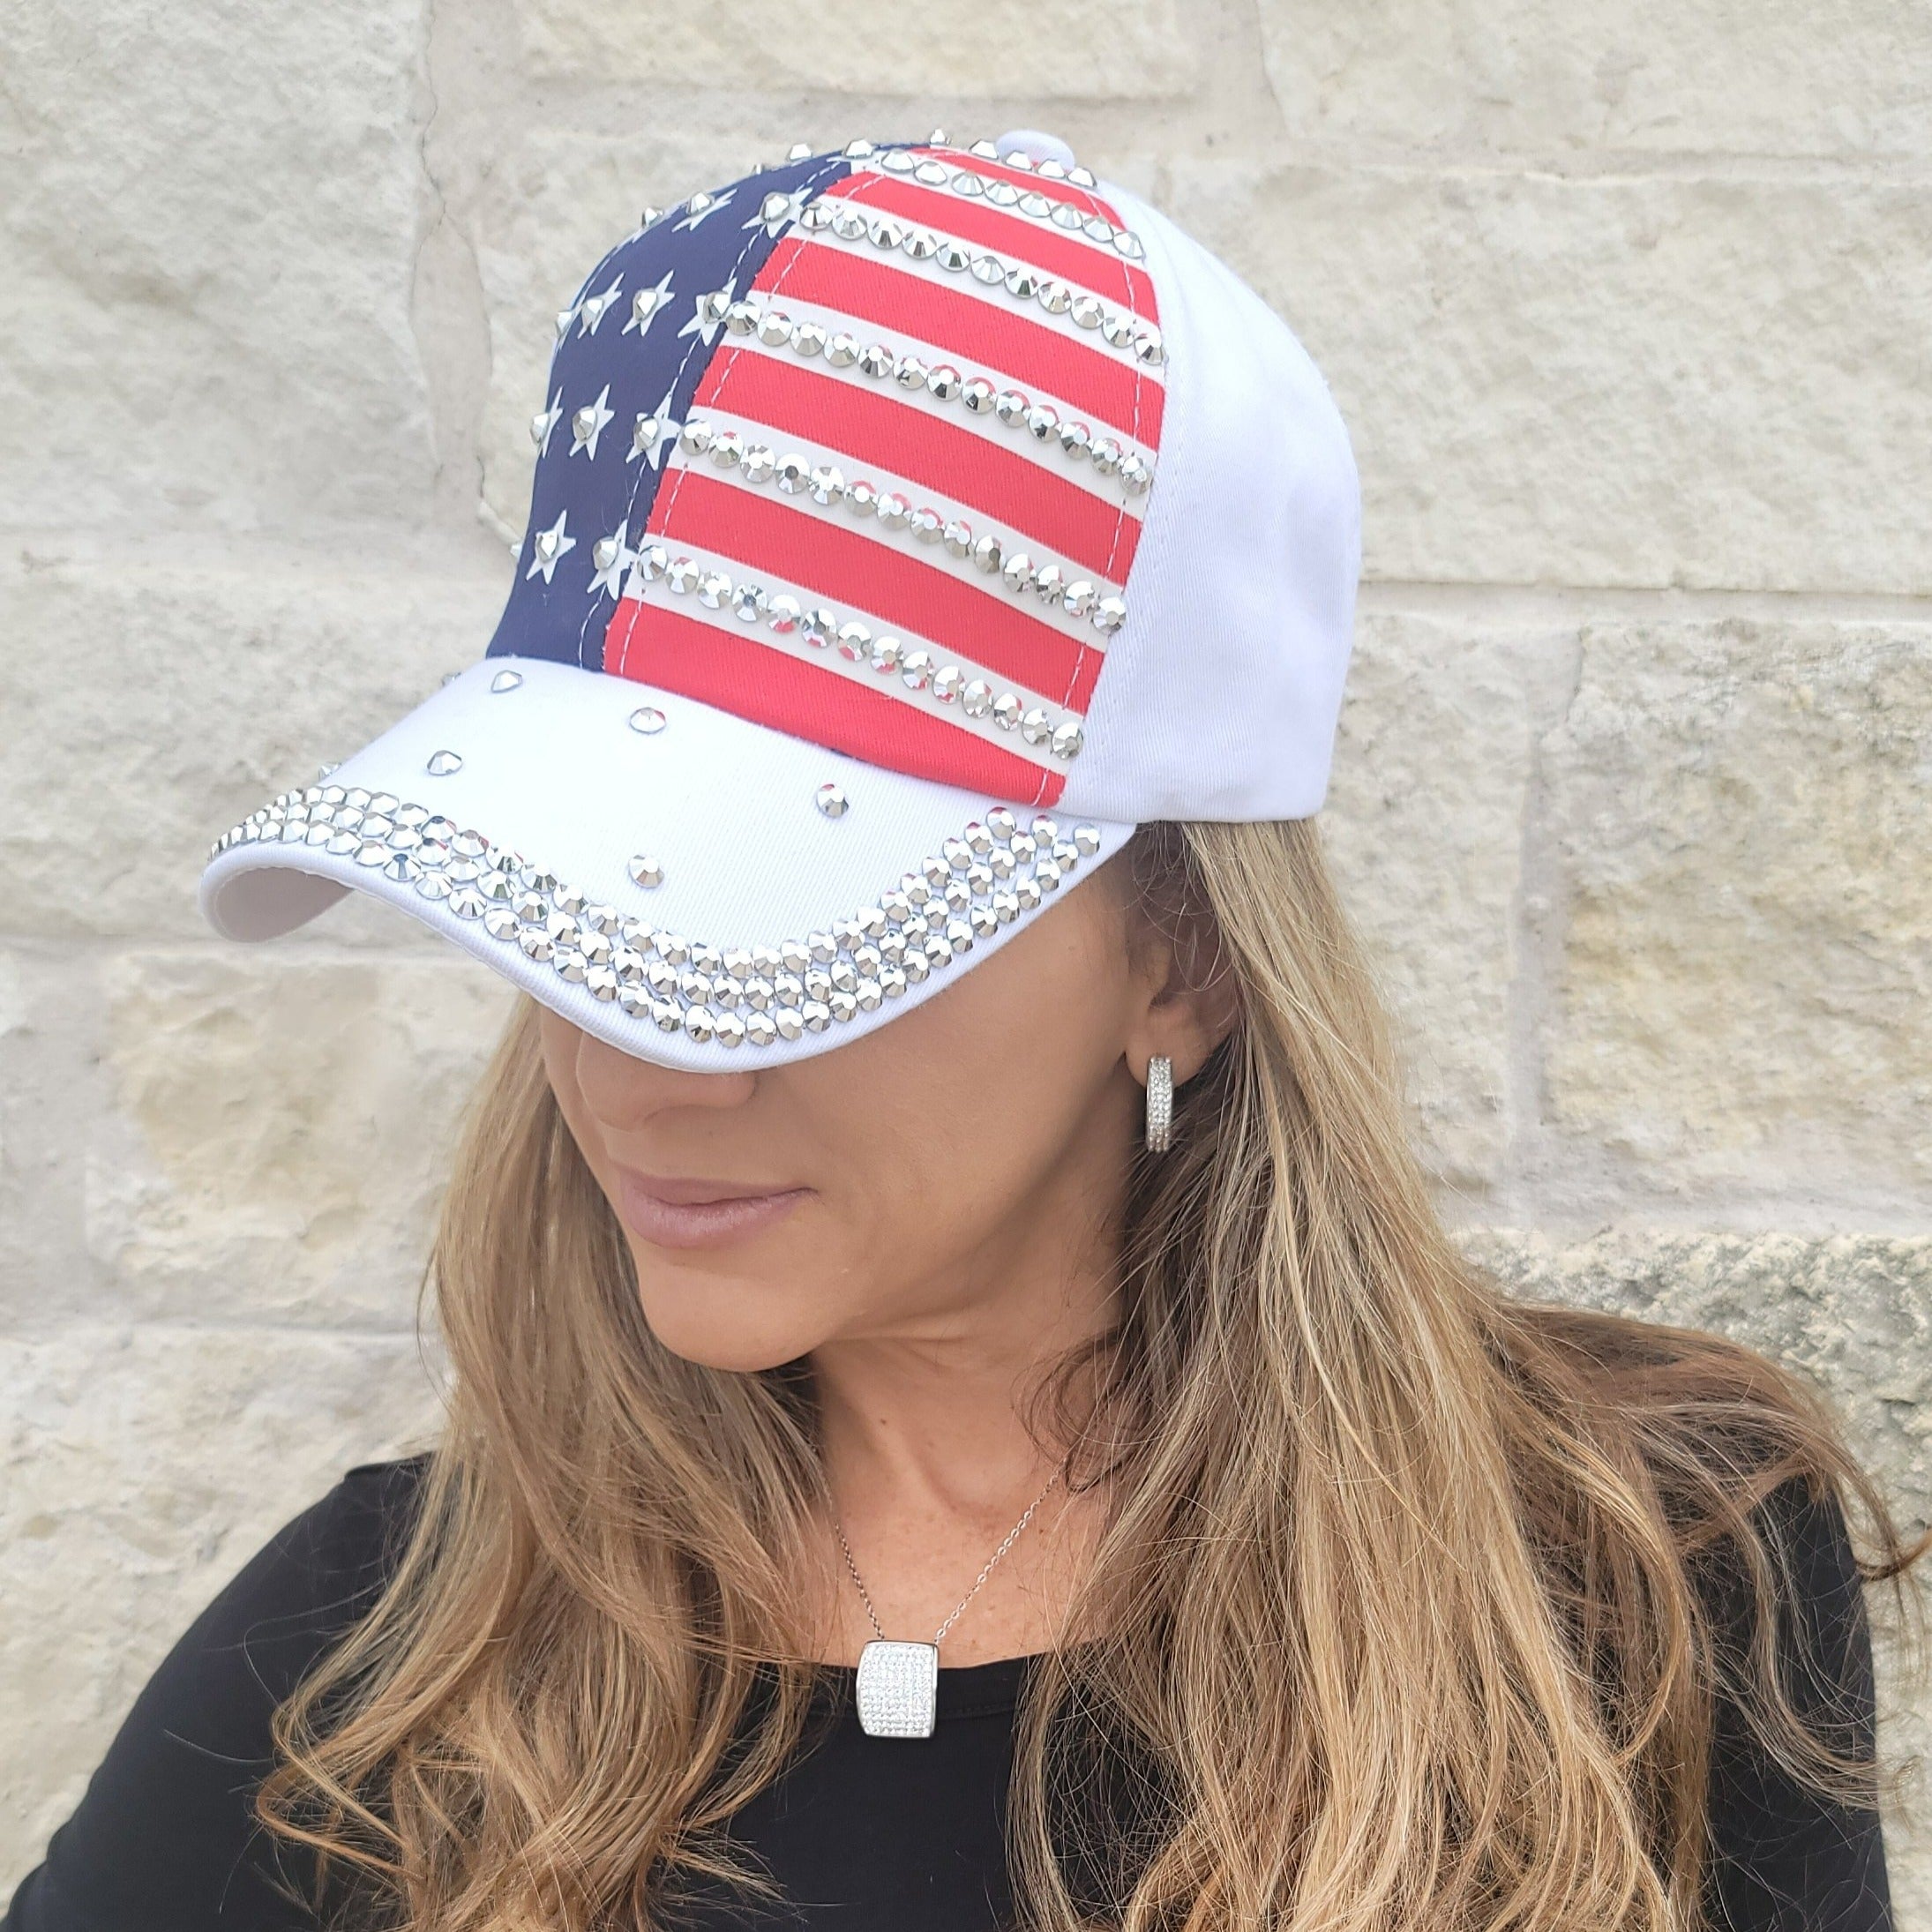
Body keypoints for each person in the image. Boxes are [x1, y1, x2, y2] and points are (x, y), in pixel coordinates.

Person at [4, 129, 1921, 1932]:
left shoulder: (1643, 1573)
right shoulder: (375, 1669)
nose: (648, 1063)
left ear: (1183, 953)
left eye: (794, 932)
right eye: (581, 903)